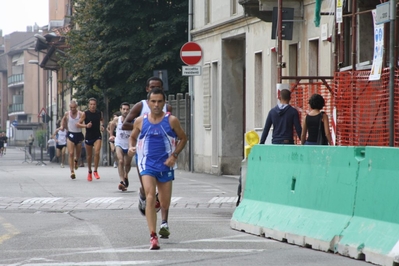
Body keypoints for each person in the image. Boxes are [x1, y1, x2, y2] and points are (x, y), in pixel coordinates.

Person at [128, 87, 187, 250]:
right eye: (153, 101)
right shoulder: (141, 120)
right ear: (148, 103)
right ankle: (153, 236)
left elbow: (183, 138)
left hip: (165, 164)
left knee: (165, 203)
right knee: (150, 196)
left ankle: (162, 219)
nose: (156, 104)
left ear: (164, 102)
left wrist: (174, 155)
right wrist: (131, 147)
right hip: (147, 164)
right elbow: (132, 136)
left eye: (159, 101)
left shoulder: (171, 120)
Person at [122, 77, 172, 215]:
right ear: (147, 89)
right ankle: (143, 195)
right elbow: (126, 124)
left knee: (160, 185)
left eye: (159, 87)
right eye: (151, 87)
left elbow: (169, 126)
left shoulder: (167, 107)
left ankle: (158, 210)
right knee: (146, 185)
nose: (155, 89)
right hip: (142, 151)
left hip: (161, 151)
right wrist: (145, 126)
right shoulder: (141, 105)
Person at [77, 98, 104, 181]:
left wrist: (102, 126)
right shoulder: (85, 114)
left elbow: (102, 120)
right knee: (89, 156)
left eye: (94, 104)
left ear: (96, 105)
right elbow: (78, 124)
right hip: (89, 136)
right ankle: (89, 171)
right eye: (91, 104)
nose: (92, 106)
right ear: (89, 105)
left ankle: (95, 171)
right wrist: (86, 126)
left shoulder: (99, 113)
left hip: (97, 136)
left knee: (97, 152)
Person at [109, 102, 133, 191]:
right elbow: (111, 125)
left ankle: (126, 175)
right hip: (119, 143)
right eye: (124, 109)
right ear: (120, 110)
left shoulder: (132, 120)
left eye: (127, 109)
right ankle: (122, 181)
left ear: (129, 110)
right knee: (121, 160)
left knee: (127, 164)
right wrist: (111, 135)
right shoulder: (117, 119)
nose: (125, 111)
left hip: (129, 144)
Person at [60, 100, 84, 179]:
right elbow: (63, 120)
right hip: (70, 134)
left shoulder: (80, 114)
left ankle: (76, 160)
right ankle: (72, 171)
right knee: (71, 153)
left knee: (78, 154)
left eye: (74, 107)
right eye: (71, 107)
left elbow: (84, 120)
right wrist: (62, 126)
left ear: (76, 107)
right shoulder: (67, 114)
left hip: (78, 134)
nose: (72, 109)